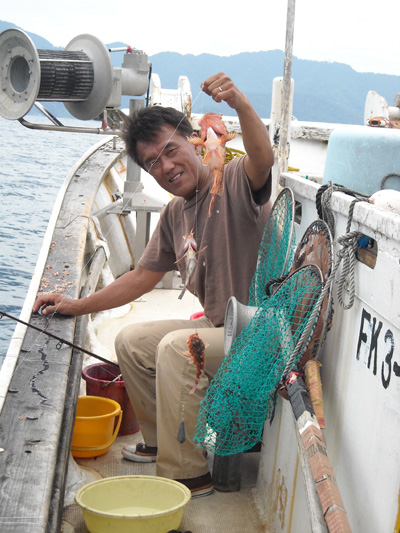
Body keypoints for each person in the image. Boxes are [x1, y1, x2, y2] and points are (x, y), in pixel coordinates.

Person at [33, 72, 274, 498]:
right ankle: (163, 441)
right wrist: (75, 304)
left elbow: (263, 158)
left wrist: (238, 101)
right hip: (222, 330)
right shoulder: (175, 215)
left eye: (170, 151)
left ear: (193, 141)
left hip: (259, 336)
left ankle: (188, 475)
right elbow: (140, 278)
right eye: (152, 163)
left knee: (176, 350)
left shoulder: (234, 180)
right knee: (131, 341)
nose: (165, 167)